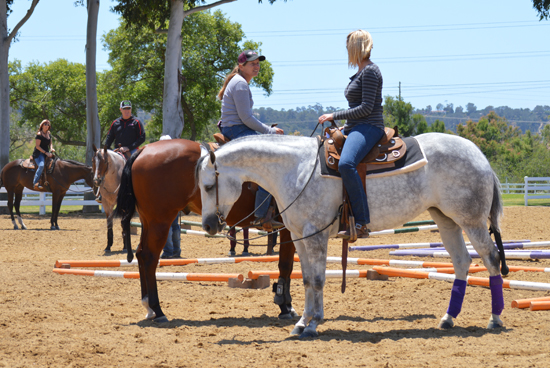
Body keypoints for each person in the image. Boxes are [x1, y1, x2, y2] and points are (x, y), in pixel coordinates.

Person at [318, 30, 385, 241]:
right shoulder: (360, 72)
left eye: (349, 47)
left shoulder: (371, 72)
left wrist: (334, 115)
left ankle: (362, 221)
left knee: (346, 164)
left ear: (357, 47)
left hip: (368, 126)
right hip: (354, 126)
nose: (347, 51)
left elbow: (366, 108)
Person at [217, 49, 285, 230]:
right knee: (270, 163)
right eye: (252, 63)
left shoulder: (238, 82)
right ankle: (261, 215)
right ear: (241, 66)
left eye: (258, 63)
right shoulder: (240, 84)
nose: (257, 66)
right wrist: (269, 131)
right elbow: (246, 118)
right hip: (237, 129)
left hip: (235, 127)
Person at [97, 100, 145, 203]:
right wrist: (105, 151)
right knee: (103, 166)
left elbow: (142, 137)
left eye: (128, 109)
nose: (127, 111)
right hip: (117, 150)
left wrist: (129, 147)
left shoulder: (136, 122)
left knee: (136, 169)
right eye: (124, 109)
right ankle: (101, 193)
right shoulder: (115, 123)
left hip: (133, 151)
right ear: (121, 110)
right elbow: (109, 137)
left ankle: (137, 193)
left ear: (131, 110)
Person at [32, 119, 55, 190]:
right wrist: (46, 153)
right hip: (39, 153)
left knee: (55, 164)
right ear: (42, 125)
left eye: (48, 124)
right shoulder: (39, 134)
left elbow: (50, 143)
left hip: (47, 153)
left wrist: (51, 148)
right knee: (41, 165)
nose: (47, 125)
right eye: (45, 124)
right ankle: (35, 182)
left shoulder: (49, 133)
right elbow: (37, 146)